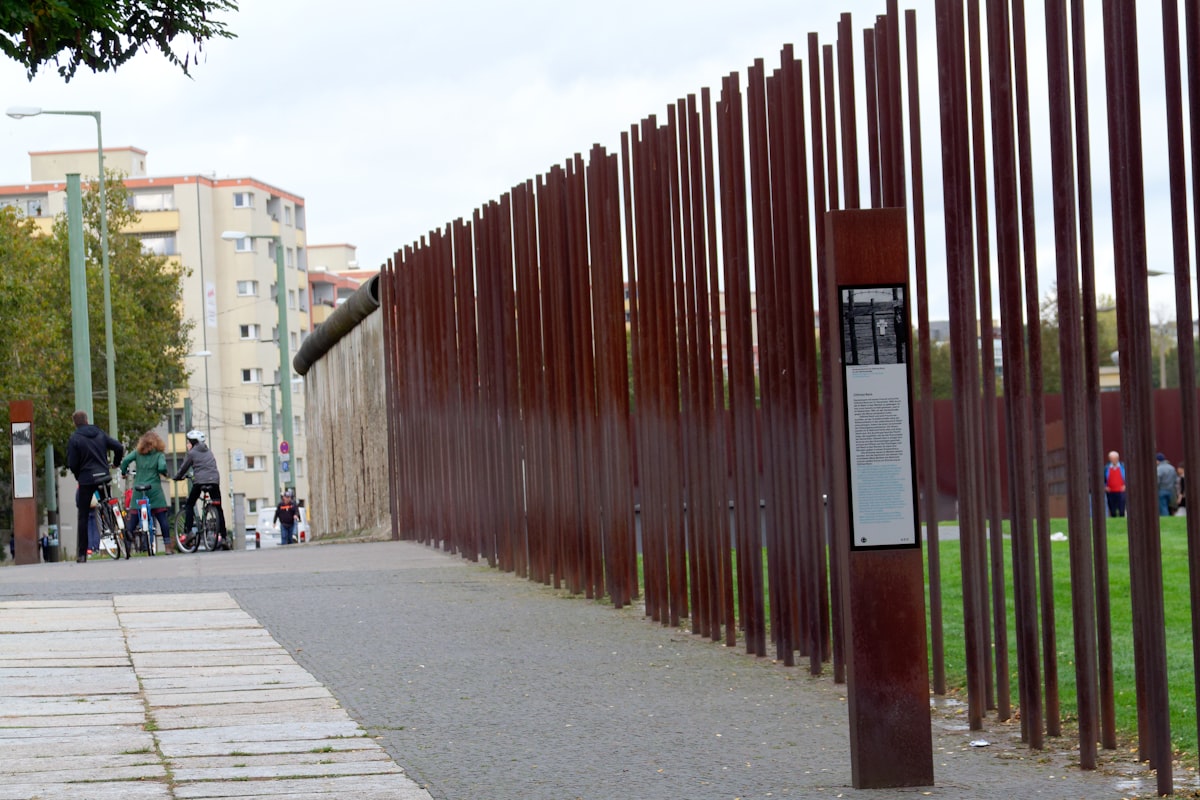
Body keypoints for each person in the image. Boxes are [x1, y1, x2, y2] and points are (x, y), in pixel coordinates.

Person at [66, 410, 124, 563]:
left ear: (75, 423)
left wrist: (79, 474)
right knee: (108, 503)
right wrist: (116, 463)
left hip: (86, 479)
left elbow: (72, 463)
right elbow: (118, 447)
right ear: (86, 420)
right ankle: (119, 531)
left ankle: (82, 554)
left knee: (84, 516)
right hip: (104, 476)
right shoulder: (99, 433)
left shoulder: (75, 439)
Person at [120, 430, 174, 554]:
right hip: (154, 489)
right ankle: (167, 547)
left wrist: (123, 473)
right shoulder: (159, 454)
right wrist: (164, 473)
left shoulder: (137, 453)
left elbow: (126, 460)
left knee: (133, 518)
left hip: (139, 489)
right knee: (162, 518)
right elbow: (162, 467)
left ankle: (127, 546)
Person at [173, 429, 227, 548]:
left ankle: (188, 532)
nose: (187, 445)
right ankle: (224, 537)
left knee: (189, 504)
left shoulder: (192, 453)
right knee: (218, 508)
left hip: (200, 482)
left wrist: (177, 477)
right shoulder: (209, 452)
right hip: (214, 481)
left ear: (193, 443)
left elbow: (184, 468)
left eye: (188, 442)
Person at [1104, 450, 1127, 518]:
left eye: (1114, 458)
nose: (1113, 460)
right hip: (1110, 491)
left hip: (1121, 491)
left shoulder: (1123, 467)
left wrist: (1125, 486)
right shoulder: (1106, 468)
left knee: (1121, 508)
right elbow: (1102, 478)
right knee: (1112, 509)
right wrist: (1105, 487)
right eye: (1112, 459)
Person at [1156, 453, 1178, 517]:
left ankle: (1165, 517)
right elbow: (1175, 479)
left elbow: (1157, 480)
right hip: (1171, 490)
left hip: (1162, 490)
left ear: (1158, 460)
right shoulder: (1172, 468)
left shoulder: (1159, 469)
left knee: (1163, 506)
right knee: (1170, 506)